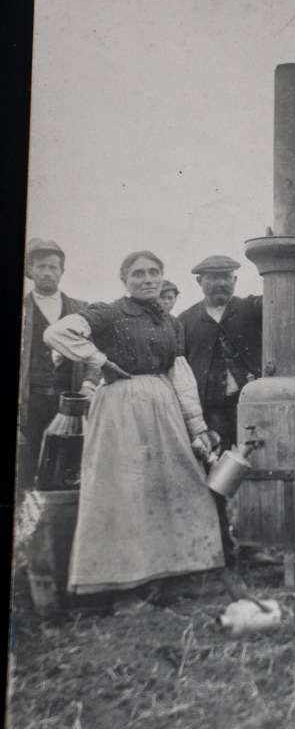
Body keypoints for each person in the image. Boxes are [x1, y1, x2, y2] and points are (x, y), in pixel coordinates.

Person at [43, 250, 224, 597]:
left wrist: (197, 427)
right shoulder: (108, 312)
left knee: (177, 484)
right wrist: (100, 361)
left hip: (164, 409)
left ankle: (173, 575)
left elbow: (181, 376)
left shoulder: (170, 322)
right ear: (124, 279)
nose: (148, 279)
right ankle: (124, 588)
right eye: (138, 274)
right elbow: (57, 333)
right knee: (125, 491)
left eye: (154, 272)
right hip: (120, 410)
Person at [177, 255, 270, 565]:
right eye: (213, 277)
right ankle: (220, 547)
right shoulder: (185, 321)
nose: (220, 283)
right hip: (211, 413)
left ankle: (254, 545)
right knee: (213, 476)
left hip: (251, 409)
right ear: (199, 282)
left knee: (256, 473)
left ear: (236, 280)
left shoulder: (251, 308)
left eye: (226, 277)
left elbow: (279, 299)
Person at [17, 239, 101, 501]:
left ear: (62, 271)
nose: (47, 272)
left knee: (66, 469)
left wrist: (89, 384)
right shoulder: (23, 308)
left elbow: (95, 354)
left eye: (53, 267)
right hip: (31, 404)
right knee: (26, 467)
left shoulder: (80, 309)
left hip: (70, 403)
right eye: (41, 266)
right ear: (30, 269)